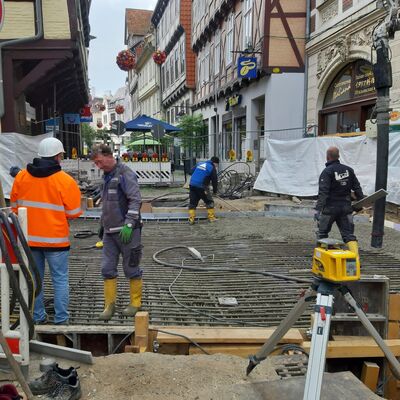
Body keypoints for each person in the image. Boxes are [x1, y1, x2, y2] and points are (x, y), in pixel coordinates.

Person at [10, 137, 82, 324]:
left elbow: (15, 208)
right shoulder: (65, 180)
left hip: (29, 241)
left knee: (34, 279)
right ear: (58, 156)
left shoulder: (21, 177)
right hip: (56, 241)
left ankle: (38, 316)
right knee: (59, 280)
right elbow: (74, 213)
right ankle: (61, 319)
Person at [91, 144, 143, 320]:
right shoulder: (106, 177)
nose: (98, 166)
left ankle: (135, 303)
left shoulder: (125, 174)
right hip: (109, 233)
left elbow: (135, 200)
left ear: (108, 155)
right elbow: (107, 204)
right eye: (96, 163)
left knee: (131, 267)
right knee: (107, 268)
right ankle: (109, 306)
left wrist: (129, 224)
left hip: (127, 231)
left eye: (99, 162)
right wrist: (102, 225)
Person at [315, 146, 364, 260]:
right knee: (349, 235)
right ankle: (355, 259)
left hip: (330, 209)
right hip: (346, 208)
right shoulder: (349, 170)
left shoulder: (327, 172)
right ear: (338, 156)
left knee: (322, 233)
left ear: (327, 157)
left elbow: (323, 193)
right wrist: (360, 204)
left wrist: (318, 210)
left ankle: (321, 259)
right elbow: (357, 188)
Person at [188, 156, 219, 224]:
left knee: (192, 203)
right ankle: (211, 218)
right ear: (215, 163)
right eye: (217, 165)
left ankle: (191, 219)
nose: (216, 167)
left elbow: (190, 172)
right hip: (202, 186)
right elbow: (214, 181)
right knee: (209, 201)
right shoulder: (212, 168)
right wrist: (215, 192)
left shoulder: (200, 163)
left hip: (192, 185)